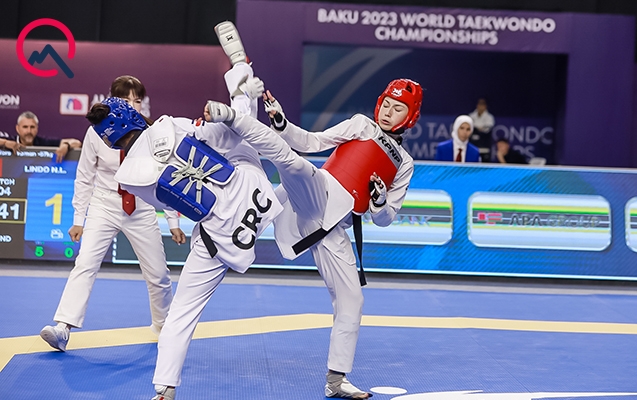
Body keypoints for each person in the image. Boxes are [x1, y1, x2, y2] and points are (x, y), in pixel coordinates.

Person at [88, 25, 280, 400]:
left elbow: (169, 201)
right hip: (254, 191)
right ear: (132, 115)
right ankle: (241, 69)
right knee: (240, 134)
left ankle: (165, 388)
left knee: (181, 312)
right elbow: (226, 136)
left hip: (222, 238)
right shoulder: (168, 125)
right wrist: (238, 101)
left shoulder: (129, 178)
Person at [206, 73, 422, 398]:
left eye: (398, 109)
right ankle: (233, 117)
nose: (389, 112)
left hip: (333, 230)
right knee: (293, 164)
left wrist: (378, 201)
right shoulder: (361, 125)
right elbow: (311, 142)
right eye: (387, 105)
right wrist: (281, 123)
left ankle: (336, 380)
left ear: (411, 117)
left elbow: (385, 218)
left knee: (352, 300)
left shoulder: (404, 163)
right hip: (318, 192)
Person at [39, 76, 186, 353]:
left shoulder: (153, 133)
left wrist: (173, 220)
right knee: (85, 264)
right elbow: (85, 176)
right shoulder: (96, 133)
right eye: (127, 100)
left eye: (138, 100)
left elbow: (164, 180)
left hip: (141, 207)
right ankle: (63, 327)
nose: (134, 105)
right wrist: (78, 219)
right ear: (113, 102)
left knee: (158, 274)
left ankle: (165, 327)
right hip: (104, 204)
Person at [0, 111, 82, 162]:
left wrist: (66, 145)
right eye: (25, 127)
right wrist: (5, 143)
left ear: (37, 128)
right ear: (17, 128)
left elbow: (77, 143)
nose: (29, 131)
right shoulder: (10, 141)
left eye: (32, 127)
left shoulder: (43, 142)